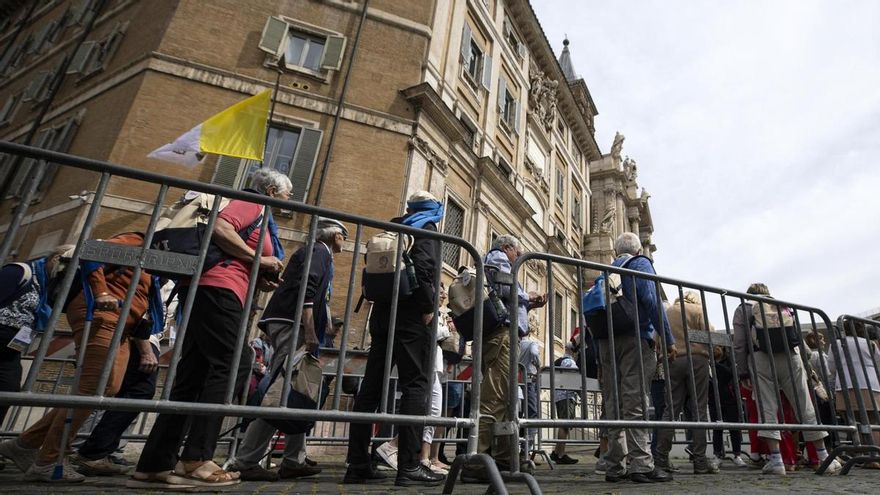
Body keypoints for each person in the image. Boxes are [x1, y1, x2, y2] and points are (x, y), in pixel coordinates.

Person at [130, 169, 287, 488]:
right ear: (271, 191)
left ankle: (154, 465)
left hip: (206, 287)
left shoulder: (254, 208)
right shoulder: (253, 202)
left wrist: (257, 269)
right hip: (218, 288)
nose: (289, 201)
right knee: (235, 363)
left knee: (193, 375)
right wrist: (258, 258)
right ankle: (197, 460)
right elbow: (220, 227)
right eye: (287, 195)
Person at [0, 234, 164, 483]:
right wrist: (100, 292)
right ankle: (49, 461)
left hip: (125, 326)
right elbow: (94, 251)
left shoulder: (160, 262)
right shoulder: (139, 240)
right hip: (103, 316)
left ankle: (25, 444)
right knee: (92, 389)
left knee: (106, 388)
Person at [228, 217, 347, 481]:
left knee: (298, 389)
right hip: (292, 323)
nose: (345, 240)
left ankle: (294, 459)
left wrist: (322, 324)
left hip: (290, 322)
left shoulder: (319, 252)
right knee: (280, 393)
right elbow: (309, 286)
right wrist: (310, 328)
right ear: (333, 234)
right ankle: (246, 459)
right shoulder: (319, 251)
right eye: (343, 235)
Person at [344, 191, 445, 487]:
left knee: (371, 389)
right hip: (411, 317)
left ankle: (357, 463)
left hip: (382, 316)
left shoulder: (393, 227)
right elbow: (425, 270)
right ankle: (409, 466)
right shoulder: (425, 229)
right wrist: (428, 308)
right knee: (416, 385)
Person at [461, 234, 547, 483]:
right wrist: (528, 296)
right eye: (518, 252)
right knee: (495, 397)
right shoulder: (498, 257)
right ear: (508, 248)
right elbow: (502, 287)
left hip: (503, 334)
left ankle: (503, 458)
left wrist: (528, 304)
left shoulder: (502, 260)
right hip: (501, 337)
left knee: (507, 399)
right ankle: (478, 462)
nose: (520, 257)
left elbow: (505, 300)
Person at [732, 283, 842, 476]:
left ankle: (776, 460)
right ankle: (824, 456)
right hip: (791, 356)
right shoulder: (782, 305)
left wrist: (743, 372)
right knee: (804, 404)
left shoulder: (743, 308)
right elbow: (797, 336)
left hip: (761, 358)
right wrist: (806, 361)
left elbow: (740, 343)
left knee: (767, 407)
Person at [599, 232, 675, 484]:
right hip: (635, 337)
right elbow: (651, 301)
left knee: (613, 401)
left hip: (606, 341)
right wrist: (668, 338)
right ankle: (641, 464)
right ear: (638, 250)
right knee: (636, 400)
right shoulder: (640, 264)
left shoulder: (604, 269)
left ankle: (613, 465)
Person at [69, 316, 163, 476]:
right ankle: (92, 452)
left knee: (124, 394)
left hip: (142, 338)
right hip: (137, 337)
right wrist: (146, 350)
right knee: (140, 391)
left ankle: (99, 453)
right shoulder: (156, 291)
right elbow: (140, 314)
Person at [0, 245, 72, 428]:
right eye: (68, 266)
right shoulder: (20, 272)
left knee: (9, 389)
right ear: (55, 259)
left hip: (13, 347)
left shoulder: (49, 285)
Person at [654, 291, 718, 475]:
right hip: (697, 360)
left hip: (673, 359)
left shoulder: (668, 312)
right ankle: (699, 461)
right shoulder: (697, 309)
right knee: (699, 409)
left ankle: (661, 458)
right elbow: (709, 335)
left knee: (671, 409)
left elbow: (659, 339)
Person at [827, 321, 880, 456]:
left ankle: (862, 453)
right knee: (873, 421)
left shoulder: (836, 344)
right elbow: (878, 363)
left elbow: (831, 367)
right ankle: (875, 454)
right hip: (870, 383)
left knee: (853, 421)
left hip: (846, 383)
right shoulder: (870, 344)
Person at [551, 338, 580, 465]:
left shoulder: (559, 360)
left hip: (559, 396)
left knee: (563, 424)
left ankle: (557, 452)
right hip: (567, 396)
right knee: (565, 425)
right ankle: (561, 454)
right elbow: (575, 380)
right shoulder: (570, 362)